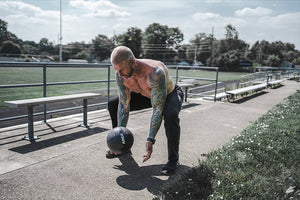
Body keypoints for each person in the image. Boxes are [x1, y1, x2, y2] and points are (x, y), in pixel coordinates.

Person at [106, 46, 184, 175]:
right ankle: (121, 148)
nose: (119, 74)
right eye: (116, 70)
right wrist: (119, 137)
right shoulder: (121, 74)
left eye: (121, 70)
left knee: (170, 115)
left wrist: (150, 139)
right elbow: (124, 104)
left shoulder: (155, 72)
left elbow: (158, 109)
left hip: (169, 94)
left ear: (132, 62)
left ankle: (173, 160)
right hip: (146, 95)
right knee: (113, 104)